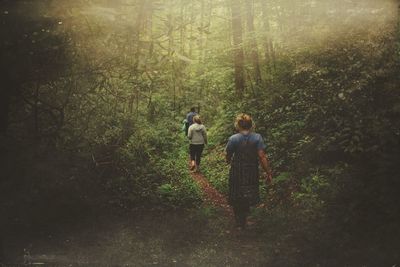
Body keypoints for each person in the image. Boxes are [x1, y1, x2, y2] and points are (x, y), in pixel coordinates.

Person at [225, 113, 272, 229]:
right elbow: (262, 156)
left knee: (237, 194)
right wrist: (268, 172)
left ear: (238, 125)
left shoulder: (233, 139)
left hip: (237, 170)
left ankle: (239, 222)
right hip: (251, 170)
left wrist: (228, 160)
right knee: (247, 194)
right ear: (251, 125)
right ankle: (244, 220)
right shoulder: (257, 137)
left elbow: (228, 155)